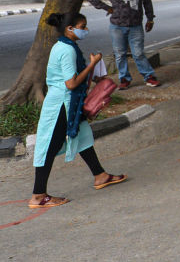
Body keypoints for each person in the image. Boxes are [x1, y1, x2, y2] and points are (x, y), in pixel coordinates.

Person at [29, 12, 127, 209]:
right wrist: (92, 65)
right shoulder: (67, 50)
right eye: (83, 27)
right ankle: (38, 195)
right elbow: (71, 83)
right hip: (61, 105)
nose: (86, 30)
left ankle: (100, 175)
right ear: (70, 28)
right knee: (49, 146)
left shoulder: (63, 45)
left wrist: (91, 71)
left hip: (68, 102)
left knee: (83, 137)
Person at [87, 0, 159, 89]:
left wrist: (150, 19)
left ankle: (149, 77)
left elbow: (147, 2)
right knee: (120, 54)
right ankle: (124, 79)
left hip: (136, 25)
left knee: (138, 53)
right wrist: (107, 8)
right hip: (117, 26)